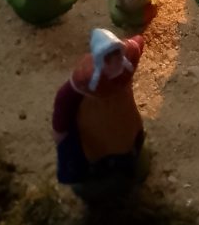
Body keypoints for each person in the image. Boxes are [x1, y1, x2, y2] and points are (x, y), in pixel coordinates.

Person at [52, 28, 146, 191]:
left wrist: (137, 40)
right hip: (97, 125)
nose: (115, 62)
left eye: (117, 56)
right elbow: (65, 98)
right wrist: (60, 127)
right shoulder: (86, 79)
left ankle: (131, 167)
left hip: (126, 117)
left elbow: (137, 43)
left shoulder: (128, 58)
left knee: (129, 143)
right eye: (109, 59)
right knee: (101, 152)